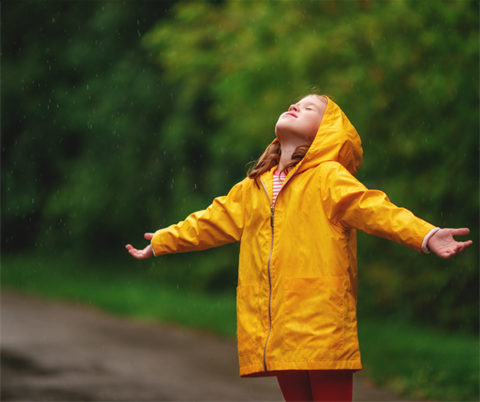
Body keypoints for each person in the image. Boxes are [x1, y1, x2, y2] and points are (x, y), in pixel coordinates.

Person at [126, 94, 472, 402]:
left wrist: (426, 235)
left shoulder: (328, 179)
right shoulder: (254, 187)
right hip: (275, 323)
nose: (294, 106)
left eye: (309, 109)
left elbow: (375, 210)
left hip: (321, 319)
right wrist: (162, 241)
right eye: (295, 103)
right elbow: (210, 221)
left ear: (323, 134)